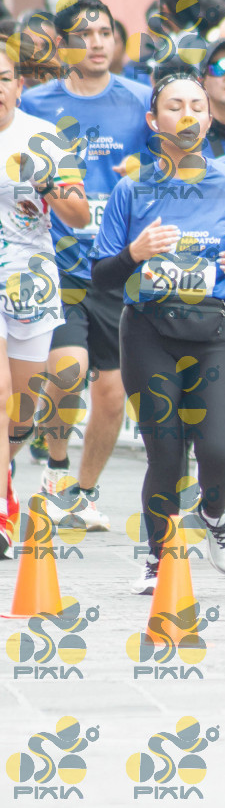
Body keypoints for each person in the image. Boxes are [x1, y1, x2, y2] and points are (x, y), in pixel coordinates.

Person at [91, 71, 225, 593]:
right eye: (174, 106)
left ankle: (214, 513)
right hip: (149, 333)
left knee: (220, 454)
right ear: (153, 120)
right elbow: (102, 276)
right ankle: (158, 559)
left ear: (210, 120)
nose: (187, 114)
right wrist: (134, 254)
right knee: (166, 453)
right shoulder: (131, 189)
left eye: (197, 106)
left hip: (214, 332)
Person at [22, 0, 152, 531]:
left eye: (104, 33)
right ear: (62, 45)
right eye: (84, 34)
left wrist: (146, 167)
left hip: (118, 264)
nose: (96, 43)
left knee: (113, 393)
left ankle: (84, 492)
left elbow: (176, 164)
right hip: (56, 262)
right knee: (68, 369)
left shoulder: (140, 100)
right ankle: (55, 471)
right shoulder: (34, 103)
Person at [0, 41, 89, 553]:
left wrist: (49, 183)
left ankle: (8, 467)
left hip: (31, 279)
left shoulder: (43, 138)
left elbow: (80, 216)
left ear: (19, 85)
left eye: (3, 79)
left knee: (22, 412)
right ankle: (2, 511)